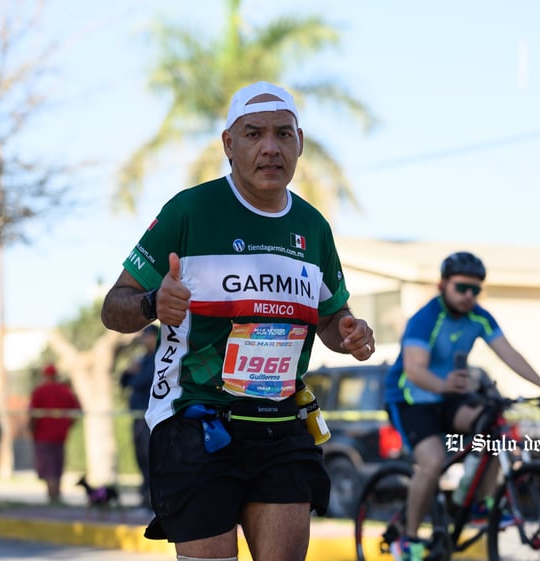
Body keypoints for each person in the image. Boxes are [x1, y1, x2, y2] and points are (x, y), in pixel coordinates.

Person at [100, 81, 376, 561]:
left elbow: (332, 317)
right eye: (254, 134)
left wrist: (349, 331)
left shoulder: (312, 227)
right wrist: (151, 304)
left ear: (300, 143)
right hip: (196, 421)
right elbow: (113, 307)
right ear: (229, 144)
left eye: (283, 134)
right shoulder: (190, 211)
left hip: (282, 423)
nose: (270, 147)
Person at [383, 251, 540, 561]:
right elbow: (414, 369)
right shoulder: (426, 318)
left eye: (475, 290)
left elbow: (509, 353)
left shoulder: (479, 316)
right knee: (431, 462)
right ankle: (409, 539)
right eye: (461, 288)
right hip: (410, 398)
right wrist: (443, 385)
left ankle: (475, 502)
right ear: (443, 285)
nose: (468, 296)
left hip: (449, 397)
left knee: (494, 425)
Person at [119, 324, 159, 508]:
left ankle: (153, 498)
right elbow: (124, 381)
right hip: (137, 416)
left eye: (148, 337)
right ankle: (145, 496)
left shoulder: (158, 358)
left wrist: (134, 374)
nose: (145, 341)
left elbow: (143, 381)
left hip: (150, 416)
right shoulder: (141, 360)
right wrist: (129, 371)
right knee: (141, 458)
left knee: (150, 456)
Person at [28, 364, 81, 503]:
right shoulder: (65, 391)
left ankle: (52, 497)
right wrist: (67, 425)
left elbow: (33, 414)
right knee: (57, 466)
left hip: (43, 435)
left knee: (48, 467)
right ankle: (56, 495)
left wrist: (31, 430)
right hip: (60, 435)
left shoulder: (39, 391)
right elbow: (76, 411)